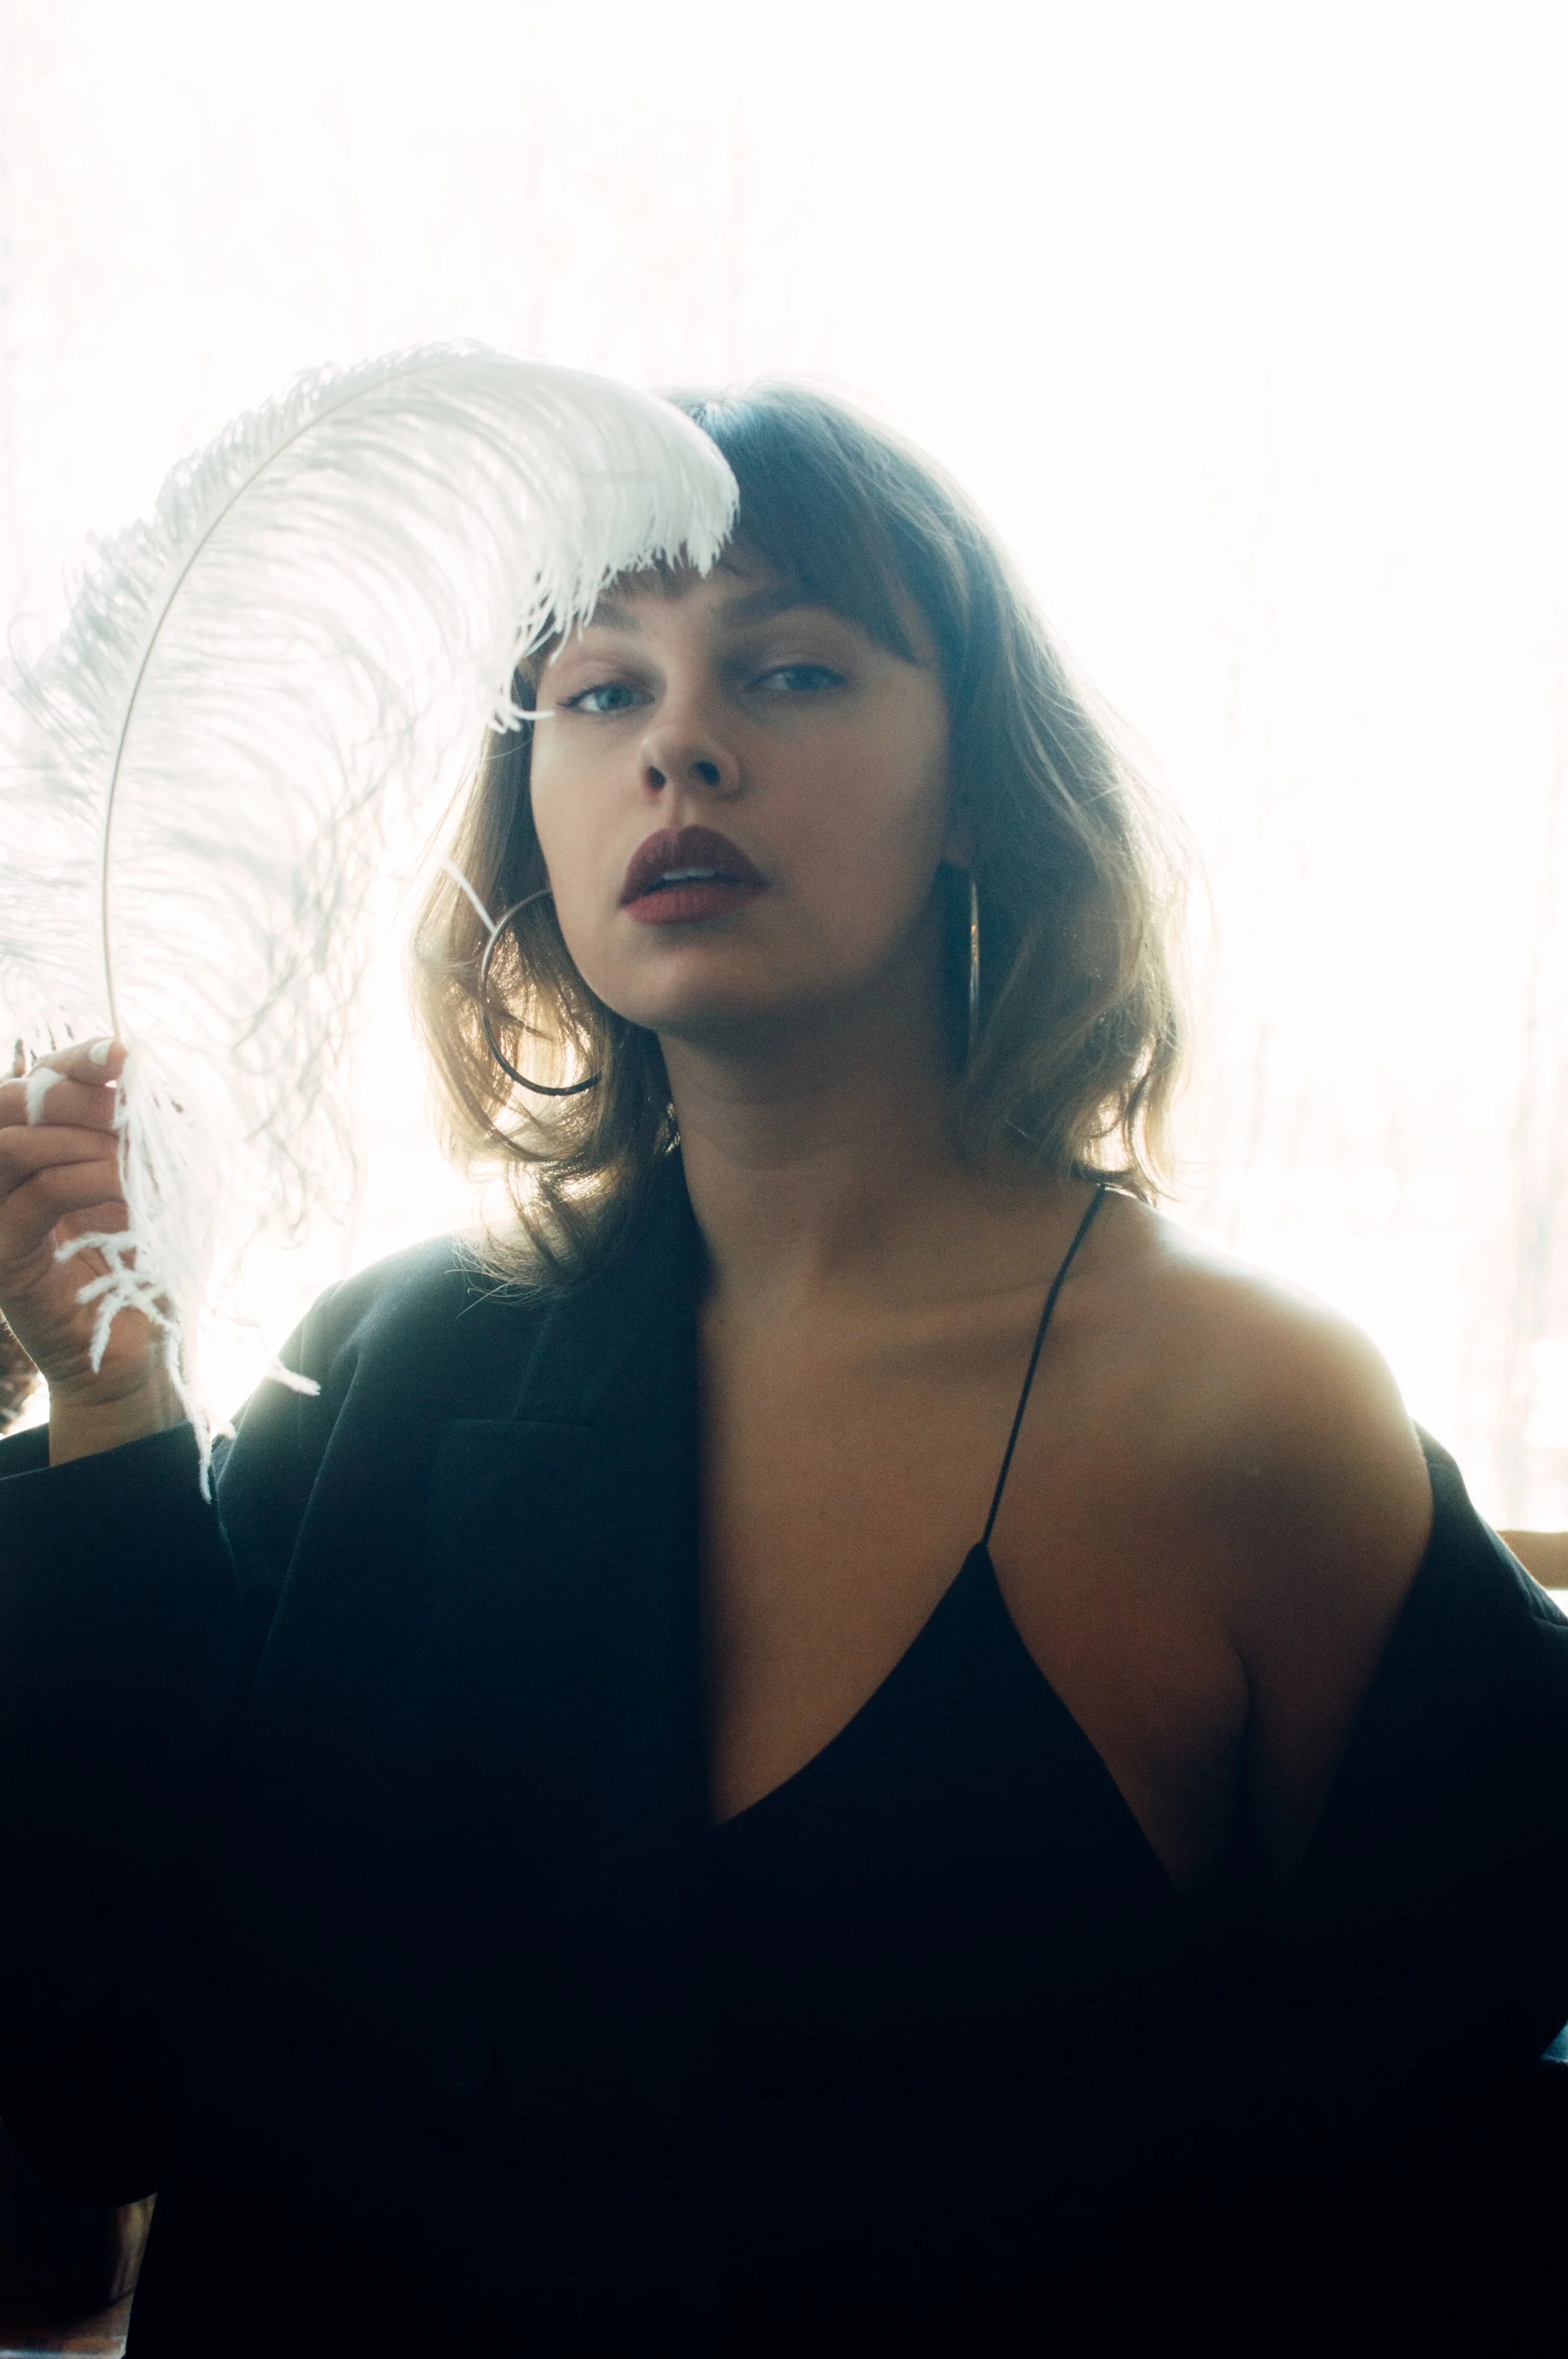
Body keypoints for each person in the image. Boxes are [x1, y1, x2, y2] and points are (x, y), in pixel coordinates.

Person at [1, 386, 1565, 2356]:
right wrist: (110, 1409)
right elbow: (90, 2090)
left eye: (793, 667)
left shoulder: (1245, 1414)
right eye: (596, 691)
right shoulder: (382, 1371)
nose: (681, 744)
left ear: (976, 783)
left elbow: (1467, 2188)